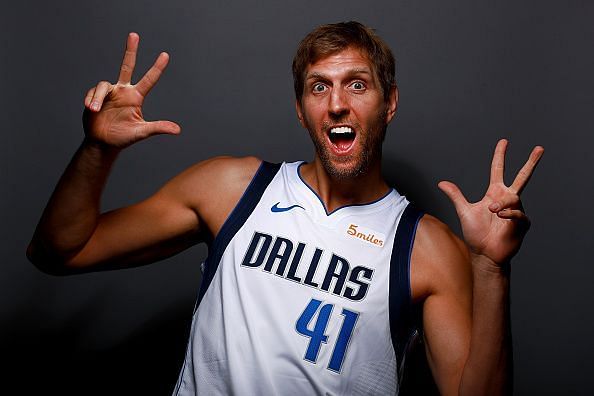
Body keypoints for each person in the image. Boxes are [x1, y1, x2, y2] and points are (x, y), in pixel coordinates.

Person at [27, 22, 543, 395]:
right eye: (320, 87)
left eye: (356, 84)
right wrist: (98, 150)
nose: (337, 103)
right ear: (301, 111)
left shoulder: (425, 248)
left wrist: (491, 269)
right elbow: (61, 251)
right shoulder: (232, 188)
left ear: (389, 103)